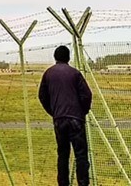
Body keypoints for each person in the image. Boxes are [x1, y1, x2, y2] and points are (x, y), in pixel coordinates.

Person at [39, 45, 93, 186]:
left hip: (59, 119)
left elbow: (42, 96)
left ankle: (63, 183)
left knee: (63, 154)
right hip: (76, 119)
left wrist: (53, 111)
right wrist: (83, 111)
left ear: (55, 57)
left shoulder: (48, 74)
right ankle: (83, 182)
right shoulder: (75, 73)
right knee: (81, 155)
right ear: (68, 57)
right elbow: (86, 95)